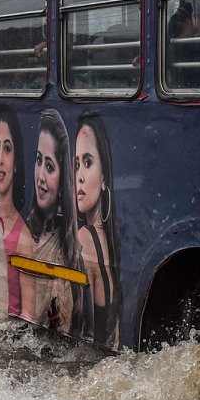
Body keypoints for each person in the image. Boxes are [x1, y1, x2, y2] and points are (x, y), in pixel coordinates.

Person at [72, 112, 122, 350]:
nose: (79, 177)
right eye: (76, 164)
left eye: (88, 162)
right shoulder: (112, 244)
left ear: (104, 177)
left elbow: (79, 334)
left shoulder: (84, 239)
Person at [24, 110, 77, 332]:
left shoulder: (66, 250)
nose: (41, 177)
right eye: (39, 161)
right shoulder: (23, 230)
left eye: (50, 166)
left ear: (63, 176)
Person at [0, 104, 30, 318]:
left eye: (7, 148)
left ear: (17, 161)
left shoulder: (23, 238)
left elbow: (29, 316)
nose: (0, 159)